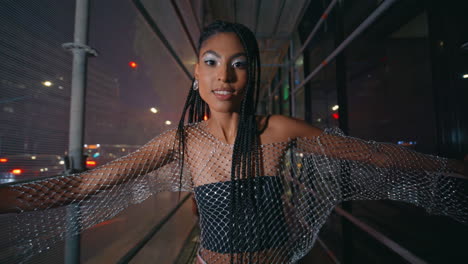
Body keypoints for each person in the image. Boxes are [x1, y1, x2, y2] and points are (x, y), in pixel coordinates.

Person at [0, 20, 466, 264]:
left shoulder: (277, 130)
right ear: (197, 74)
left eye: (238, 63)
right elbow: (85, 186)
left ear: (250, 73)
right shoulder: (180, 142)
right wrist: (10, 199)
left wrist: (455, 170)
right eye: (211, 61)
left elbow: (375, 155)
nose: (225, 75)